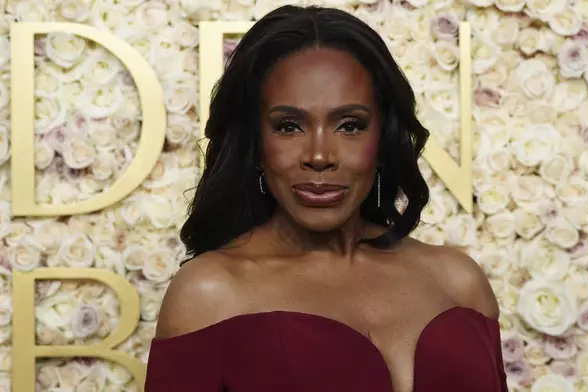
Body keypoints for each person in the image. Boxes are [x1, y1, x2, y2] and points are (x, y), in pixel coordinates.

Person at [145, 5, 508, 392]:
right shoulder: (209, 293)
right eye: (289, 126)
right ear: (256, 143)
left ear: (383, 138)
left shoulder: (458, 280)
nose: (319, 155)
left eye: (350, 125)